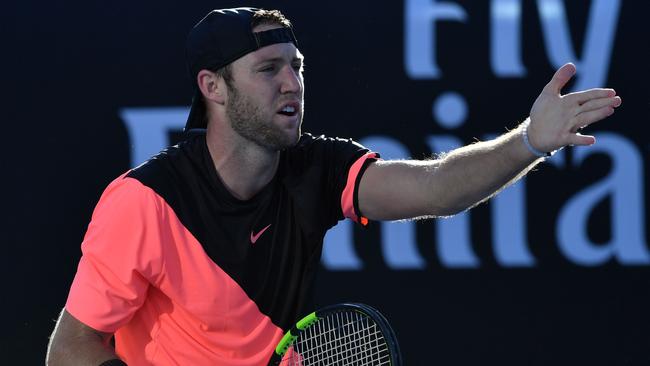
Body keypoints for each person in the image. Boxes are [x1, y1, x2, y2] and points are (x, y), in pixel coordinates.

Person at [46, 7, 621, 366]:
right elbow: (71, 351)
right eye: (268, 69)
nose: (291, 81)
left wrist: (529, 140)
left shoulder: (314, 168)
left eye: (297, 66)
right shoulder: (144, 203)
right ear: (213, 87)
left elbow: (438, 187)